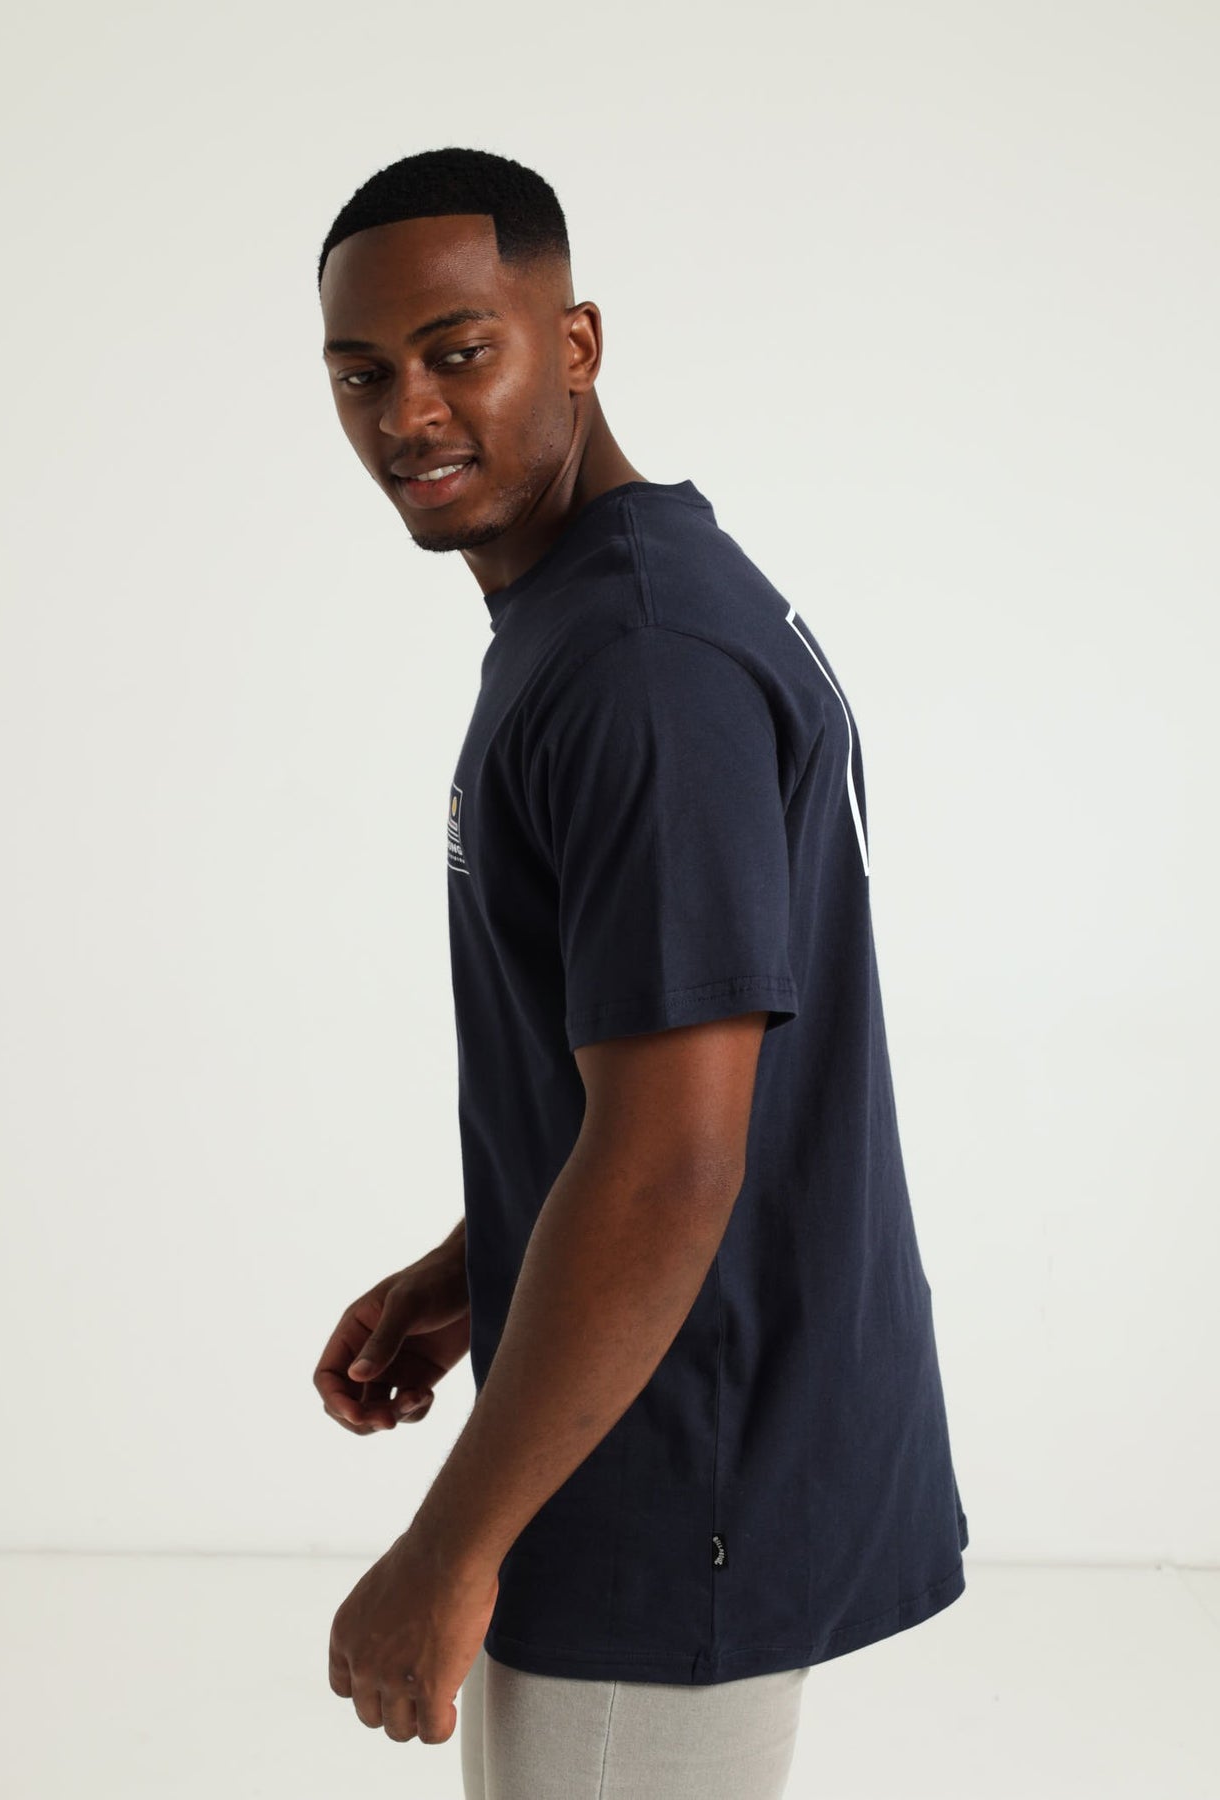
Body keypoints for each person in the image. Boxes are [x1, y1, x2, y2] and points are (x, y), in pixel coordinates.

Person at [312, 146, 969, 1800]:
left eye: (460, 351)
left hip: (676, 1480)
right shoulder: (601, 612)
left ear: (578, 343)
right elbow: (666, 1068)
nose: (407, 414)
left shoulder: (641, 663)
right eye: (362, 372)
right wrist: (487, 1259)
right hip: (669, 1424)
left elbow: (674, 1165)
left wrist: (446, 1547)